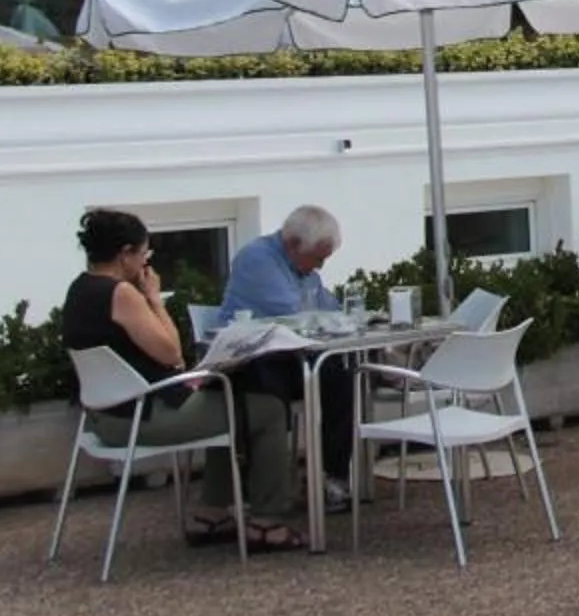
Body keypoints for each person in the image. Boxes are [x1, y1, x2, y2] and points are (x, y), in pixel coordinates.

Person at [58, 208, 273, 548]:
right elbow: (172, 352)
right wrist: (155, 300)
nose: (146, 261)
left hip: (102, 417)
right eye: (145, 253)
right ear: (126, 253)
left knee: (225, 403)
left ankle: (214, 514)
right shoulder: (121, 294)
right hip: (139, 417)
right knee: (266, 410)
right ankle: (266, 520)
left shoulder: (79, 289)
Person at [225, 206, 357, 516]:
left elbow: (330, 308)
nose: (321, 266)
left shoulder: (305, 269)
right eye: (318, 257)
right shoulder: (257, 259)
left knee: (340, 375)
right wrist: (334, 320)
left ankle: (331, 478)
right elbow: (296, 316)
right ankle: (263, 487)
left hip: (288, 357)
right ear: (294, 244)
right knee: (275, 390)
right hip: (251, 361)